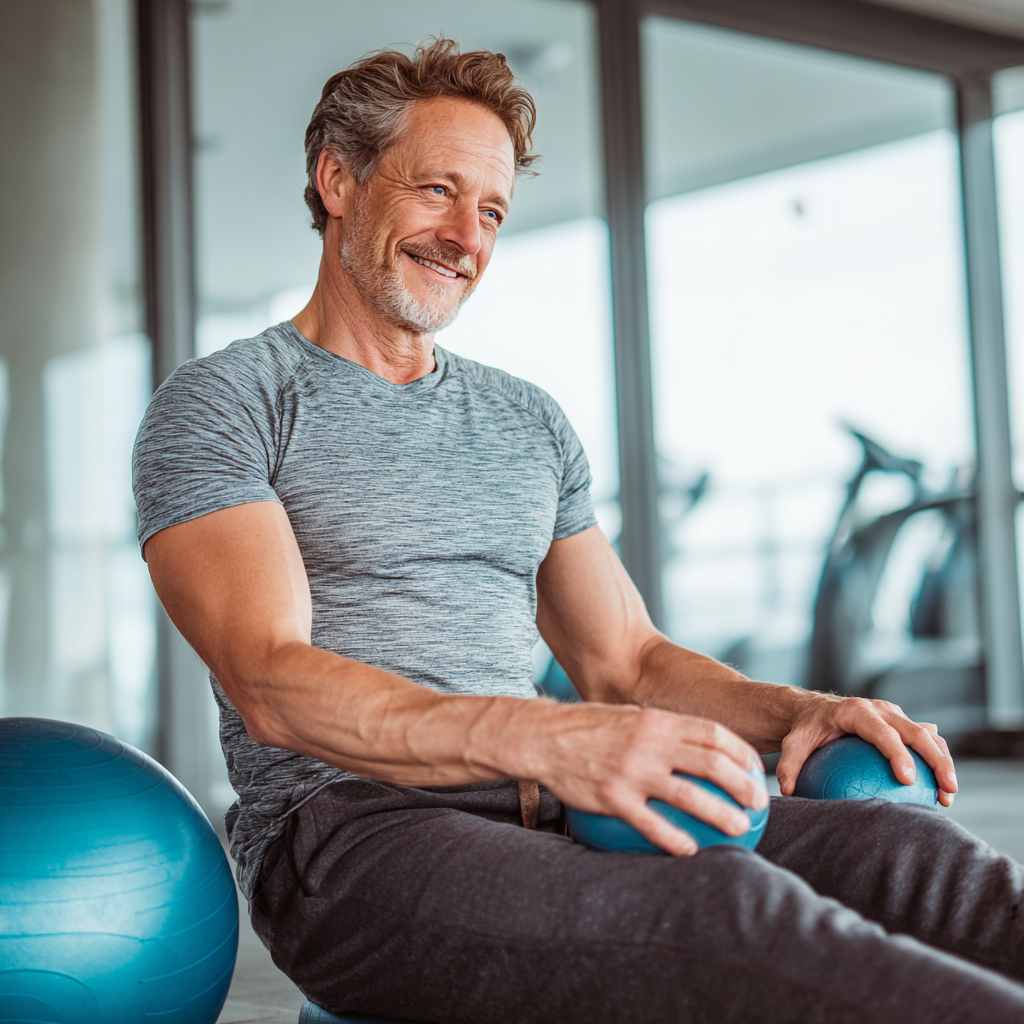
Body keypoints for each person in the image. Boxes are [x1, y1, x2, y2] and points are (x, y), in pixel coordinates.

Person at [133, 39, 1024, 1024]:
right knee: (725, 912)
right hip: (352, 838)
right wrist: (553, 742)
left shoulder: (525, 420)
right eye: (437, 190)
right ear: (338, 178)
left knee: (917, 861)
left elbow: (627, 663)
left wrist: (796, 710)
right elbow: (271, 680)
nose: (466, 236)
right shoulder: (230, 402)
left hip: (563, 797)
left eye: (493, 211)